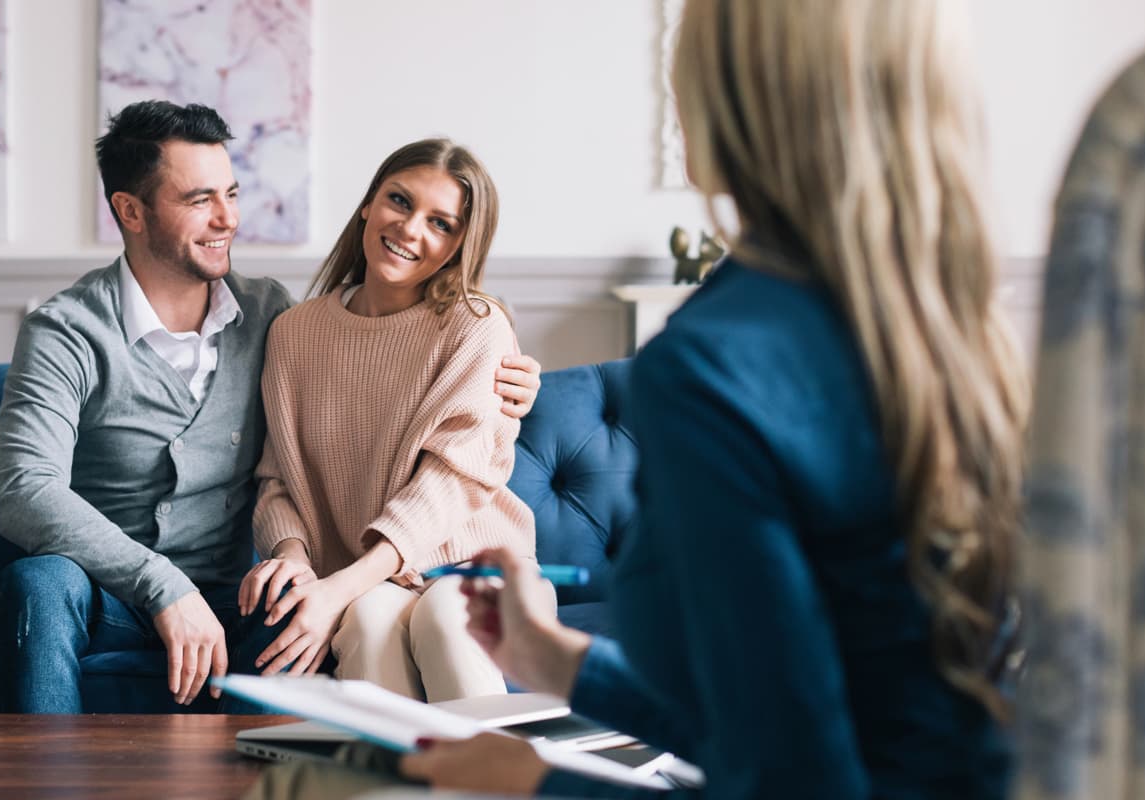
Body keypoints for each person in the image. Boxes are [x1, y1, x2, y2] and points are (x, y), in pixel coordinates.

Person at [399, 0, 1030, 796]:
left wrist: (539, 785)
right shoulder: (947, 321)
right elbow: (803, 708)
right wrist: (558, 663)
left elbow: (793, 781)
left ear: (729, 92)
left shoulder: (712, 366)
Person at [0, 102, 542, 713]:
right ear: (131, 211)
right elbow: (24, 490)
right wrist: (171, 584)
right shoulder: (69, 330)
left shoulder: (265, 316)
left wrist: (511, 387)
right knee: (37, 581)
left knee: (350, 615)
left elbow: (413, 417)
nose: (229, 219)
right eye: (200, 200)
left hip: (247, 599)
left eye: (231, 193)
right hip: (111, 593)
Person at [238, 139, 537, 702]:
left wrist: (336, 590)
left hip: (477, 567)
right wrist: (294, 558)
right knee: (369, 622)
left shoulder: (476, 325)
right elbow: (278, 477)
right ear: (367, 206)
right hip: (373, 582)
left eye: (441, 223)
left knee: (449, 616)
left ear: (457, 247)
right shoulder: (294, 332)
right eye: (399, 201)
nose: (409, 229)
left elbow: (451, 485)